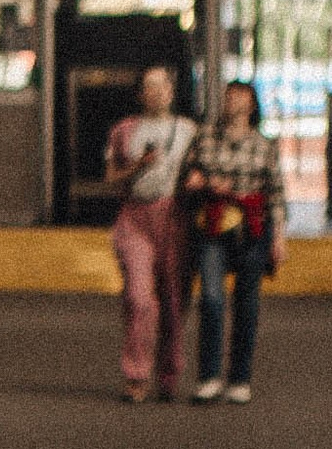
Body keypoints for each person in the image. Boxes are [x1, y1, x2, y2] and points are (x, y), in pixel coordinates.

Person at [183, 76, 289, 406]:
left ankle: (240, 378)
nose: (233, 102)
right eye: (229, 96)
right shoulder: (205, 137)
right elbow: (188, 177)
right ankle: (209, 376)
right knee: (212, 299)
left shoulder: (264, 144)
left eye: (241, 97)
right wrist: (200, 182)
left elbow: (276, 194)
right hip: (213, 225)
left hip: (252, 228)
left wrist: (280, 237)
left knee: (247, 303)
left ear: (252, 105)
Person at [105, 61, 195, 404]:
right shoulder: (125, 130)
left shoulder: (189, 130)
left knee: (174, 300)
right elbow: (111, 176)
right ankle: (137, 373)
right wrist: (137, 166)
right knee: (138, 297)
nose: (155, 93)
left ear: (172, 92)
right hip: (135, 218)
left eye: (162, 86)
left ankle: (169, 372)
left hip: (175, 218)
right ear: (140, 94)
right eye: (149, 86)